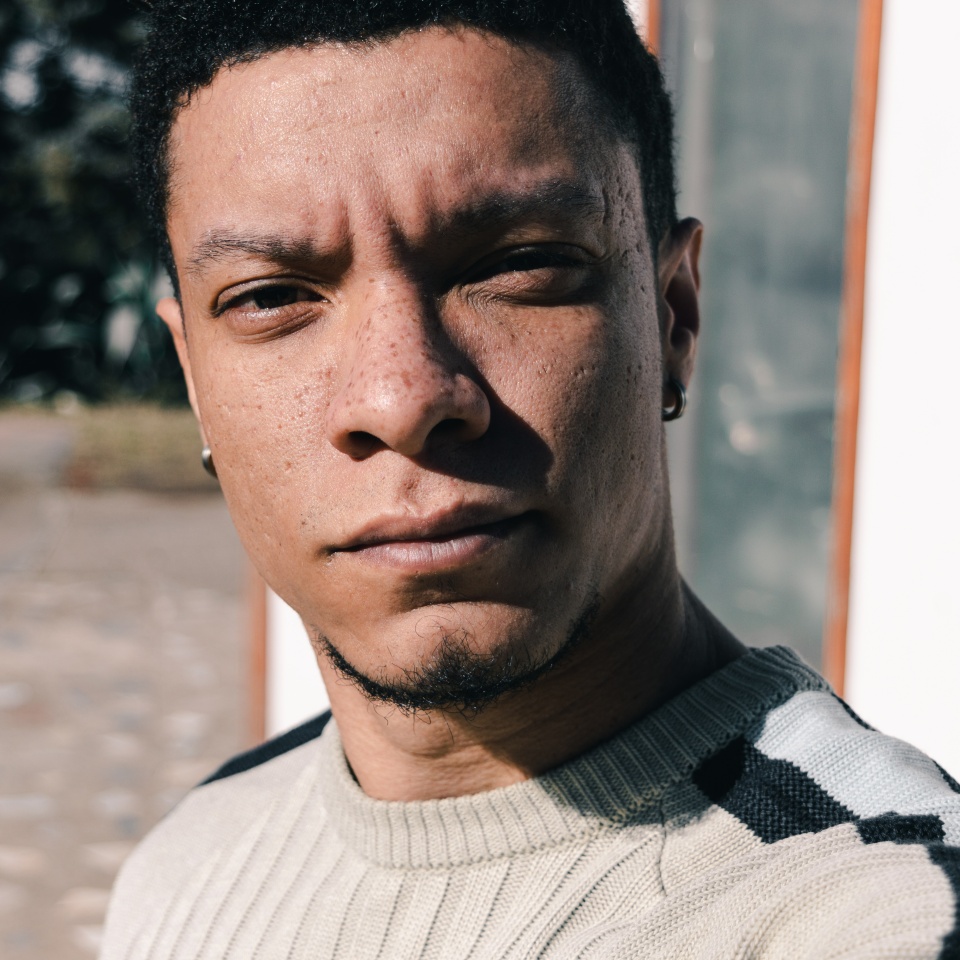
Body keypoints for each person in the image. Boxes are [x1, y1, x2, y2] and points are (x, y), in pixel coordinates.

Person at [102, 1, 960, 956]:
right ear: (194, 378)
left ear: (674, 315)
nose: (400, 397)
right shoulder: (188, 863)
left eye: (519, 265)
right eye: (270, 297)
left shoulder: (883, 913)